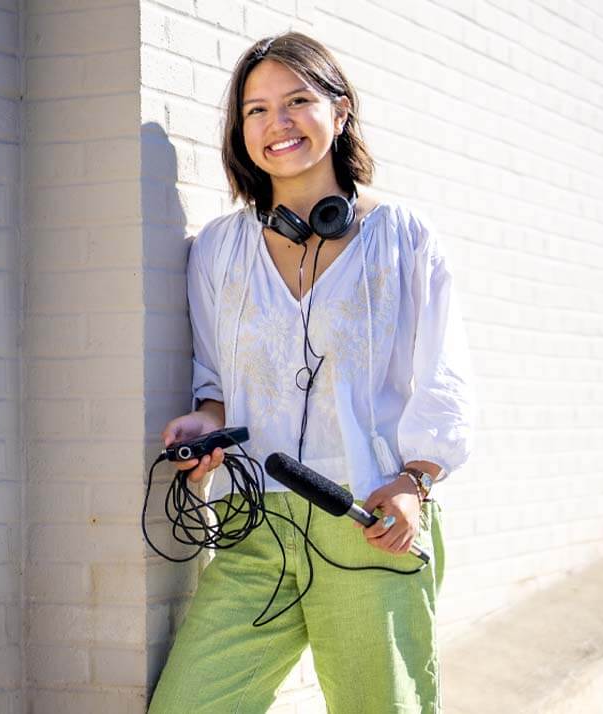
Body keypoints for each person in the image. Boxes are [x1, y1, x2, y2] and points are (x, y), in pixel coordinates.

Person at [148, 32, 475, 714]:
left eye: (298, 101)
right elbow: (213, 377)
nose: (278, 124)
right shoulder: (218, 249)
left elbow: (444, 379)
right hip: (251, 523)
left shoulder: (403, 237)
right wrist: (202, 426)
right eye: (256, 110)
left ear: (341, 110)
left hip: (369, 518)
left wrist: (415, 484)